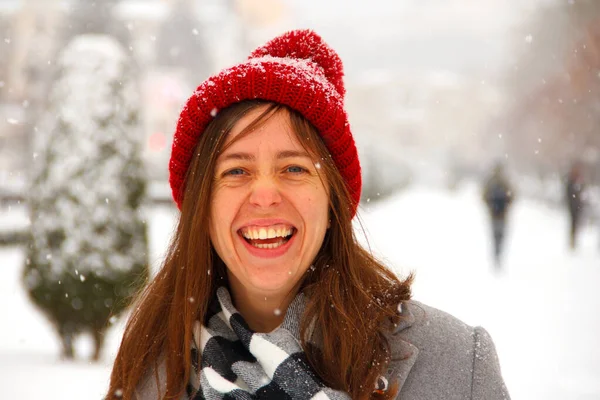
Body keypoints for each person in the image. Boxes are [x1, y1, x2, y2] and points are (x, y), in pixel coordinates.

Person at [107, 30, 510, 400]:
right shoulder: (149, 365)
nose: (264, 195)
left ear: (332, 199)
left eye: (294, 169)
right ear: (202, 206)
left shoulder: (458, 365)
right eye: (236, 171)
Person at [482, 163, 514, 267]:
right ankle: (498, 255)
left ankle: (496, 255)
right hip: (502, 215)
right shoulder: (505, 182)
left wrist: (490, 207)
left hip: (494, 215)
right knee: (501, 236)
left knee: (495, 236)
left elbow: (484, 196)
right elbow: (513, 196)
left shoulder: (490, 182)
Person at [565, 161, 586, 249]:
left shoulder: (578, 181)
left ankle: (574, 241)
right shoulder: (571, 181)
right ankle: (572, 241)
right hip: (573, 206)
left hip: (577, 207)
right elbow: (570, 194)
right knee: (573, 224)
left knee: (576, 224)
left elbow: (581, 192)